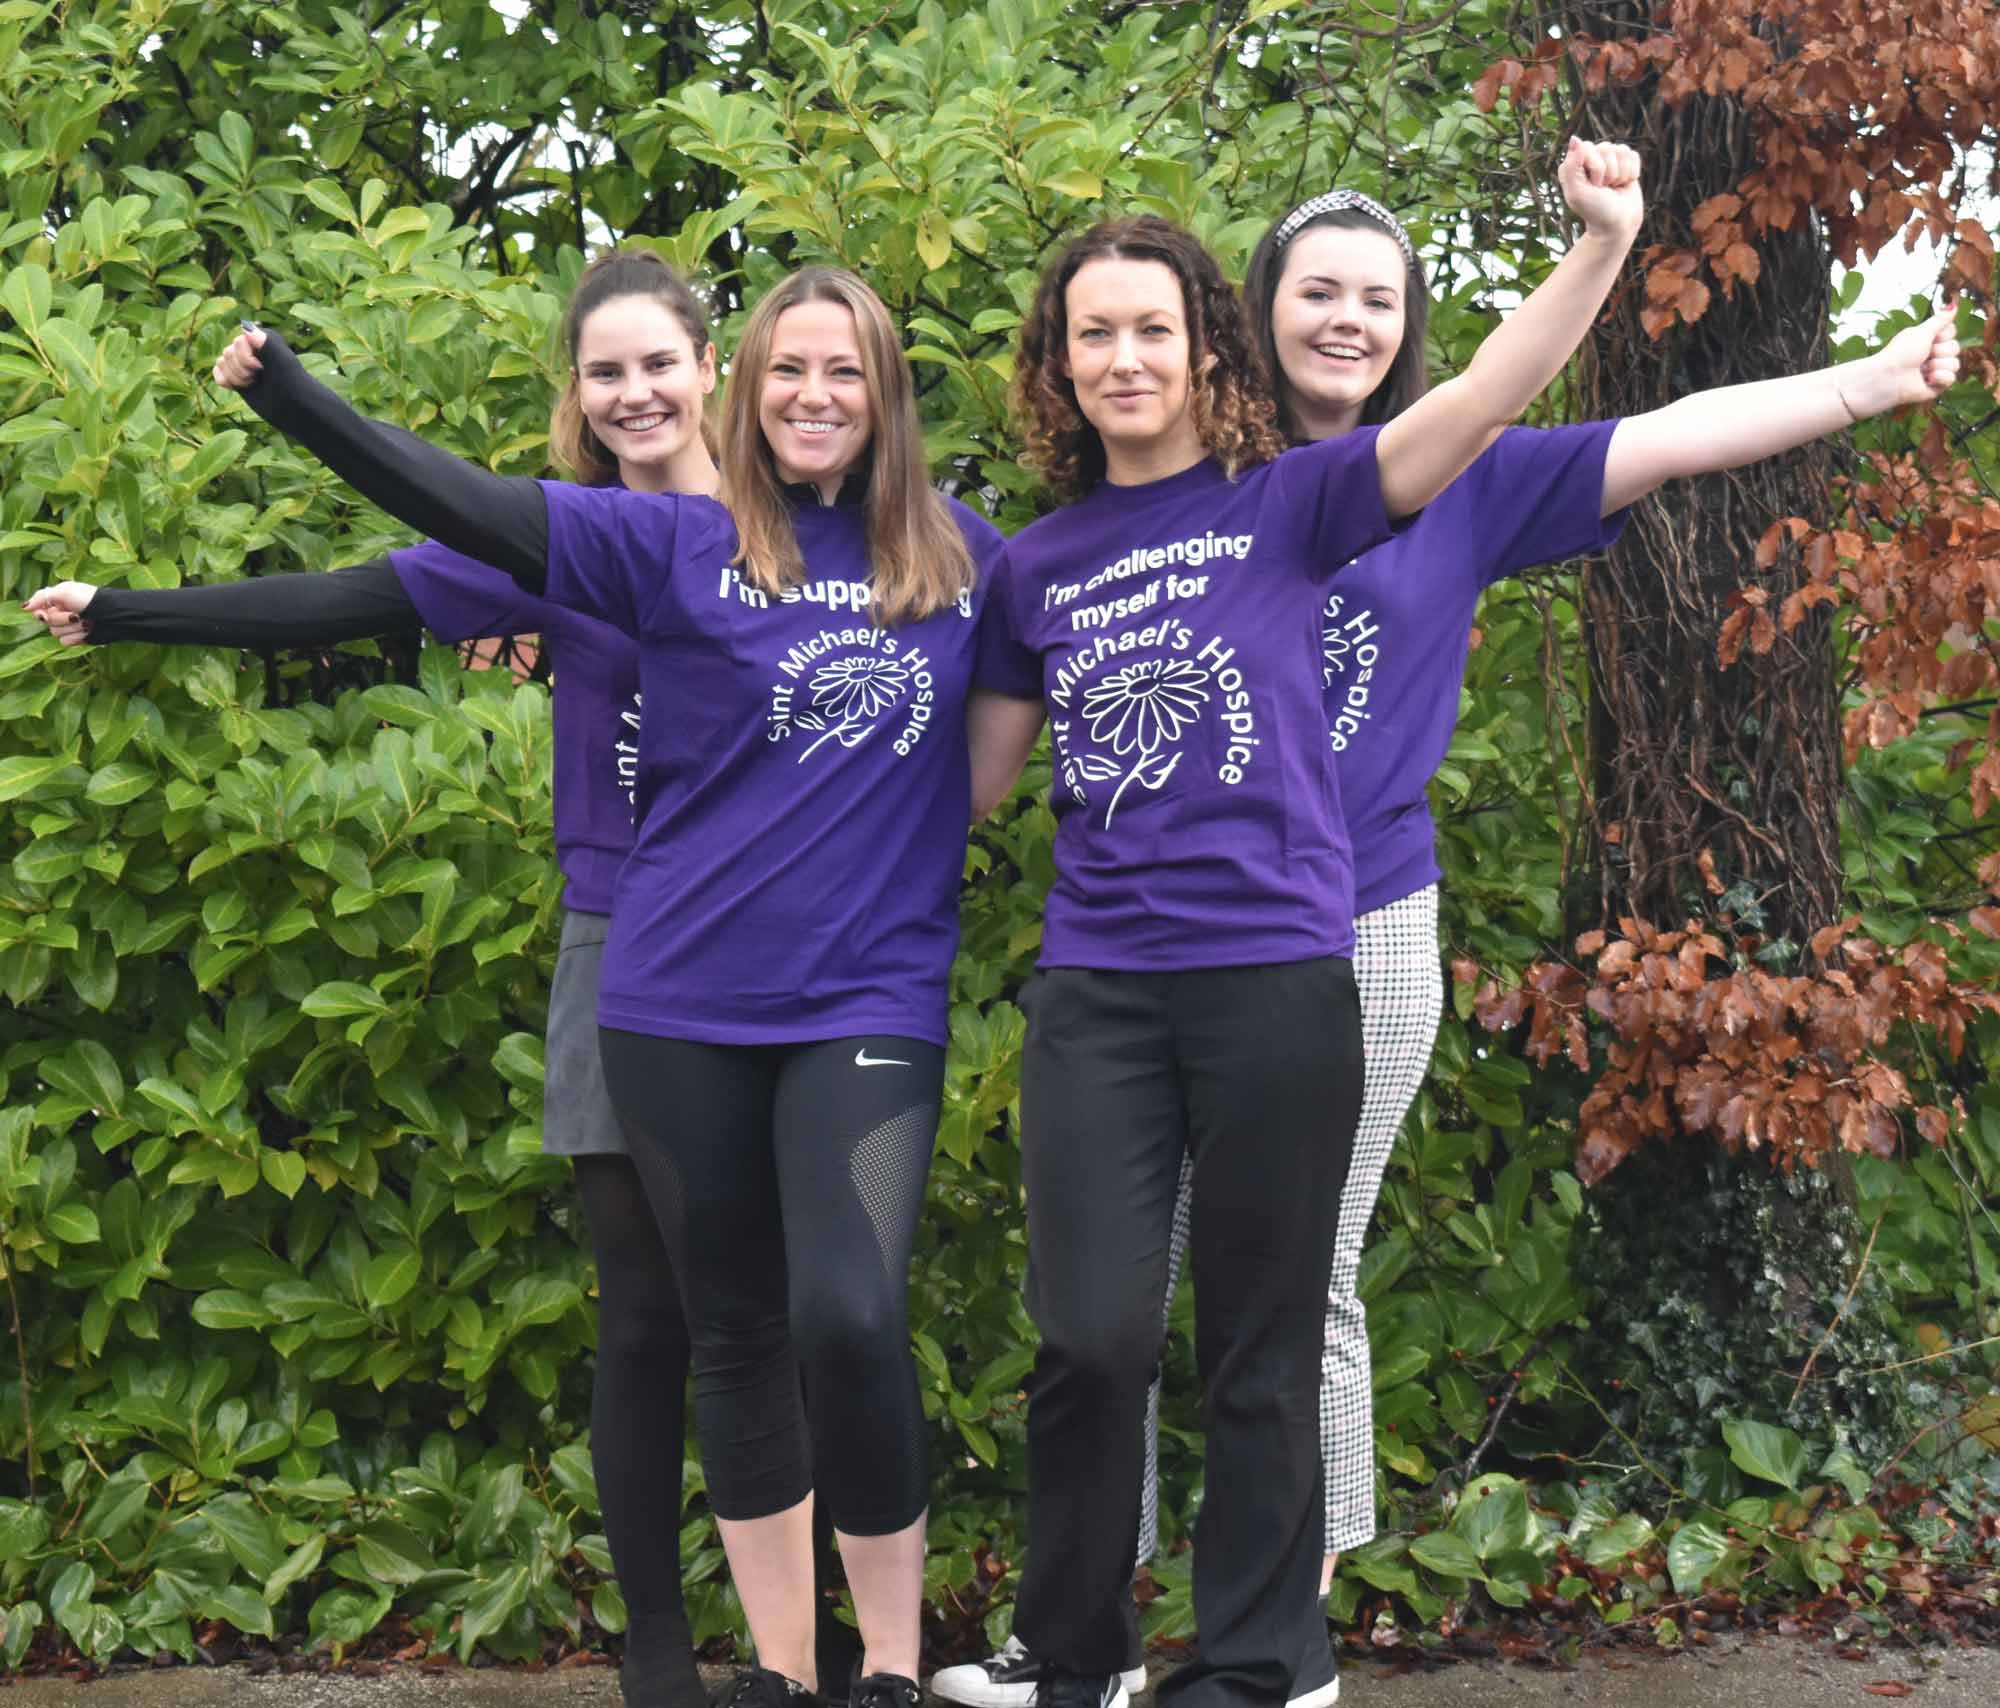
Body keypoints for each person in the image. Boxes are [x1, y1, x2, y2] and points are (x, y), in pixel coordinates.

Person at [1120, 195, 1965, 1677]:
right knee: (1130, 1273)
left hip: (1362, 924)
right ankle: (1096, 1614)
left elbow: (1684, 429)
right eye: (1316, 290)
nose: (1346, 320)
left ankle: (1285, 1618)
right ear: (1256, 308)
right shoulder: (1186, 473)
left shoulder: (1470, 476)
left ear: (1408, 327)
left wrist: (1870, 381)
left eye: (1376, 299)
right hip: (1173, 935)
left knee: (1300, 1263)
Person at [200, 264, 1006, 1708]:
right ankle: (778, 1672)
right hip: (673, 999)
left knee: (850, 1312)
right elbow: (459, 516)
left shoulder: (963, 557)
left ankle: (887, 1660)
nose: (815, 396)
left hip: (866, 1004)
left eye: (846, 372)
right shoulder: (669, 544)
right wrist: (293, 391)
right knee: (737, 1330)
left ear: (888, 394)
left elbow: (1146, 625)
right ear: (743, 390)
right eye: (787, 372)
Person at [940, 139, 1644, 1708]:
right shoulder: (1035, 564)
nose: (1123, 358)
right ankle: (1075, 1660)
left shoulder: (1296, 498)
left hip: (1276, 978)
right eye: (1090, 334)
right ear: (1060, 367)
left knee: (1262, 1344)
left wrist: (1599, 248)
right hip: (1100, 997)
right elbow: (966, 793)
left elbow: (1480, 408)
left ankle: (1265, 1665)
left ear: (1207, 348)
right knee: (1092, 1341)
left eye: (1150, 329)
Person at [27, 250, 753, 1708]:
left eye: (657, 364)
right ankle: (661, 1658)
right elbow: (342, 599)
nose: (633, 393)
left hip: (788, 947)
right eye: (602, 372)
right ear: (577, 393)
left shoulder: (793, 525)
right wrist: (125, 613)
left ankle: (803, 1641)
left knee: (785, 1308)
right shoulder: (560, 543)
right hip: (620, 938)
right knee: (645, 1318)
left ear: (711, 367)